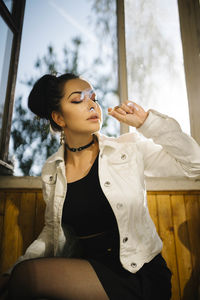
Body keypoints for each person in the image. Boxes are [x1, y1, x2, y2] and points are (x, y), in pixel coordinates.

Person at [1, 72, 200, 300]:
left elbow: (196, 164)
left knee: (27, 278)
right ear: (59, 118)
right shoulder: (51, 171)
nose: (92, 105)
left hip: (139, 274)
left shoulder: (128, 149)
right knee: (20, 277)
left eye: (93, 98)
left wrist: (147, 123)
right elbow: (52, 232)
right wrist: (12, 270)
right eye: (78, 99)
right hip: (89, 269)